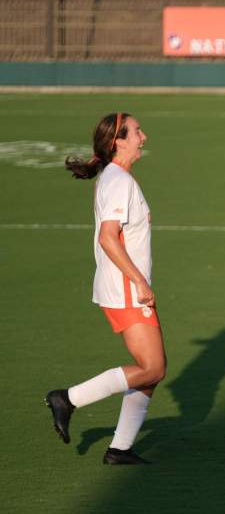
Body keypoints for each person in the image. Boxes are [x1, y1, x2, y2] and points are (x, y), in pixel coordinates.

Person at [46, 112, 164, 465]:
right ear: (119, 141)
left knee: (152, 370)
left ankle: (120, 448)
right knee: (152, 368)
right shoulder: (118, 181)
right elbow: (108, 237)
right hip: (127, 289)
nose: (144, 136)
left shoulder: (118, 178)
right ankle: (68, 398)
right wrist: (140, 282)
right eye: (137, 132)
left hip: (123, 287)